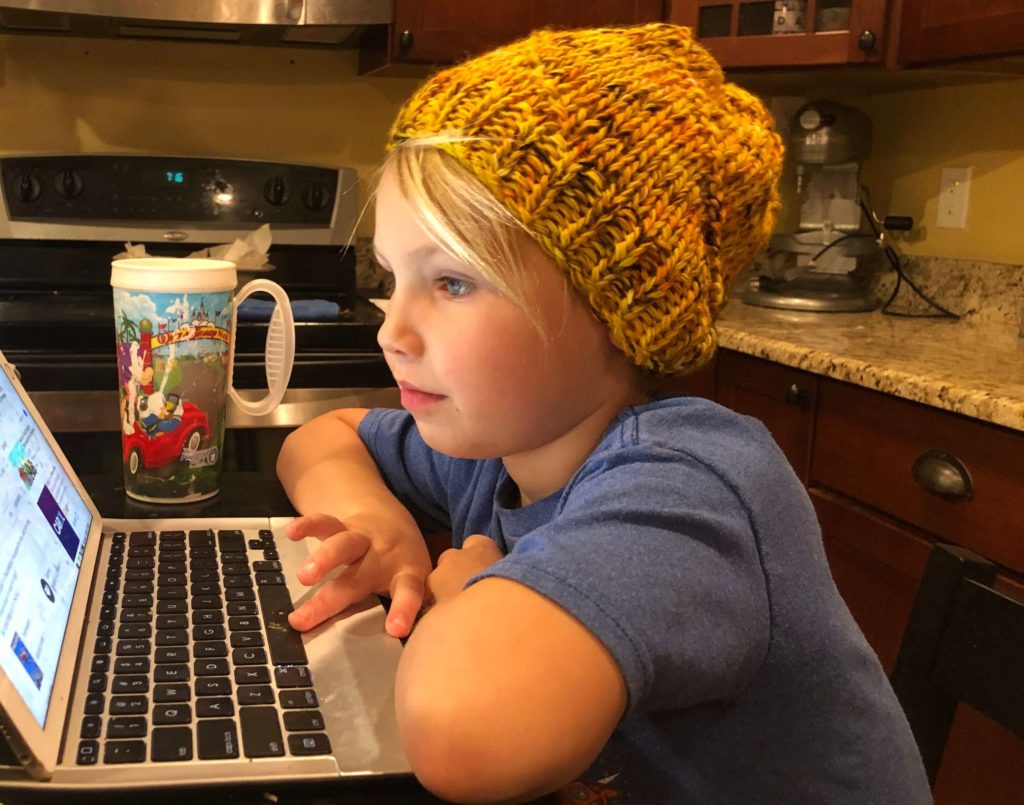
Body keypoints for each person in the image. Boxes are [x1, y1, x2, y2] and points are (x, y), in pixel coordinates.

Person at [276, 23, 931, 804]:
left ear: (616, 307)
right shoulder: (508, 440)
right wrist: (374, 517)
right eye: (392, 274)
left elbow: (459, 735)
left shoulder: (690, 485)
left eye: (452, 282)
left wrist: (470, 591)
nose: (392, 328)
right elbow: (324, 437)